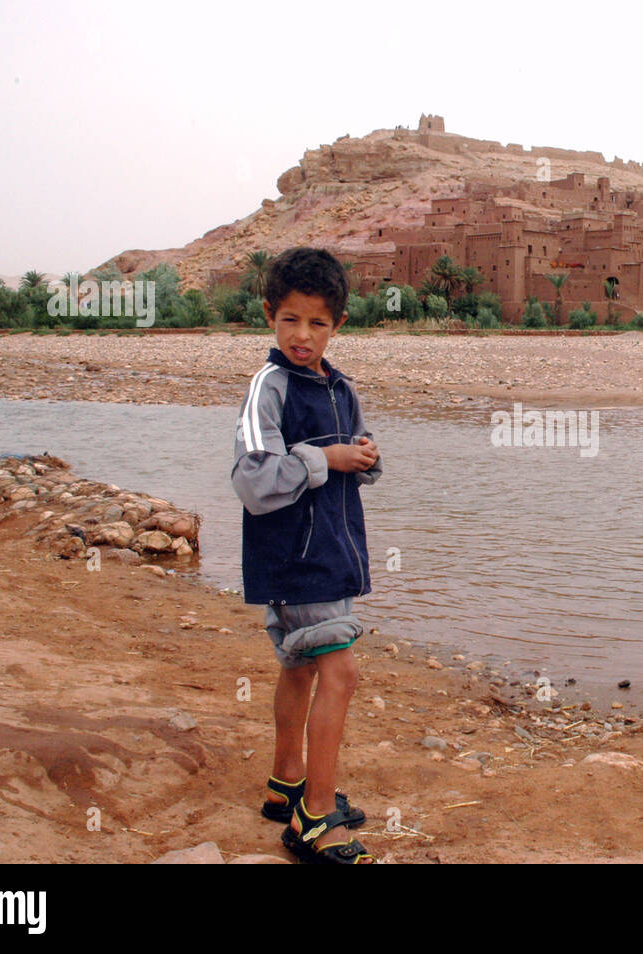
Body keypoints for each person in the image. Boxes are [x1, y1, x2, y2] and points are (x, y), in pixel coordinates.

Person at [231, 247, 382, 864]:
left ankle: (285, 783)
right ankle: (314, 821)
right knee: (340, 674)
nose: (302, 335)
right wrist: (330, 459)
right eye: (291, 320)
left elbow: (354, 458)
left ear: (337, 324)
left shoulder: (340, 386)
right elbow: (252, 479)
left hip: (333, 553)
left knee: (299, 668)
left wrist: (365, 459)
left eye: (317, 323)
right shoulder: (268, 388)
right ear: (270, 315)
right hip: (295, 559)